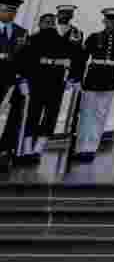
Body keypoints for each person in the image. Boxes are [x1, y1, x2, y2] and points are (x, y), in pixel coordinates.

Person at [70, 8, 114, 163]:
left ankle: (91, 149)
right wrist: (77, 77)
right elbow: (82, 58)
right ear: (104, 21)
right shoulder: (94, 37)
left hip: (110, 79)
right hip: (92, 78)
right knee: (86, 115)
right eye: (108, 20)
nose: (111, 23)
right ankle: (81, 148)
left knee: (100, 115)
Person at [13, 13, 76, 164]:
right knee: (32, 117)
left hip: (55, 85)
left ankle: (37, 150)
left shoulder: (62, 41)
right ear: (39, 24)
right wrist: (22, 80)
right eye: (45, 22)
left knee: (50, 118)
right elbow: (21, 61)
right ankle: (26, 150)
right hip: (36, 84)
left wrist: (70, 78)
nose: (49, 25)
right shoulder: (31, 40)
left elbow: (74, 59)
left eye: (51, 22)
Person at [0, 0, 29, 163]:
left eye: (13, 11)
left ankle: (4, 147)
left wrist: (22, 78)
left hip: (9, 80)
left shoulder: (21, 32)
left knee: (9, 115)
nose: (9, 14)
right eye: (6, 10)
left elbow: (25, 58)